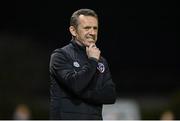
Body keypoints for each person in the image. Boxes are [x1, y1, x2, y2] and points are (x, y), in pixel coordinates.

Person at [49, 8, 116, 120]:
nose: (92, 32)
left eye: (95, 28)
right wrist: (93, 61)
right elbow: (76, 85)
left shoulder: (102, 61)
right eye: (87, 28)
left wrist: (80, 93)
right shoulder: (60, 56)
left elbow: (111, 95)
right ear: (73, 31)